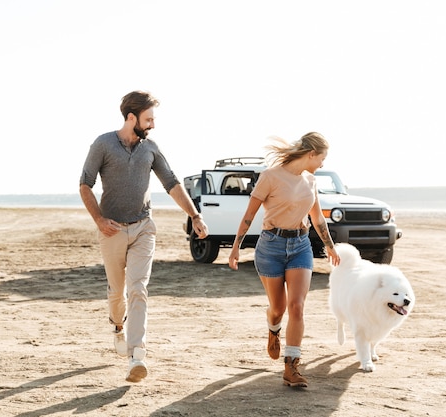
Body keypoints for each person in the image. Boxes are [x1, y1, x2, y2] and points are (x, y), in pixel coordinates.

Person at [79, 90, 209, 383]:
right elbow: (85, 184)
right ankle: (117, 327)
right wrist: (99, 219)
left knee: (138, 288)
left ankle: (137, 355)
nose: (152, 124)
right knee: (117, 292)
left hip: (143, 227)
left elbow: (172, 183)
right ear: (131, 117)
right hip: (111, 229)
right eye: (148, 119)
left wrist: (195, 214)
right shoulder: (103, 144)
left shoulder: (150, 148)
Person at [228, 132, 340, 388]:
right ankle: (273, 329)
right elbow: (249, 215)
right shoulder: (270, 176)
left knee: (297, 307)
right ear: (311, 154)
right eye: (322, 158)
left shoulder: (311, 180)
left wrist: (329, 246)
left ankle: (291, 367)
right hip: (271, 246)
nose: (323, 164)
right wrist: (236, 247)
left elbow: (317, 218)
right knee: (278, 308)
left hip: (301, 245)